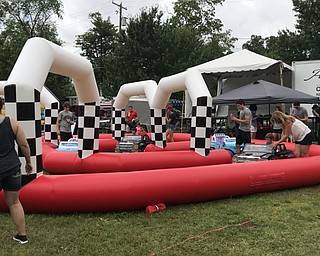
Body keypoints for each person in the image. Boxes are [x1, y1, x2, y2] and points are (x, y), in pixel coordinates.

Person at [0, 98, 33, 244]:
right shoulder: (11, 122)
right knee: (14, 203)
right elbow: (24, 145)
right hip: (12, 167)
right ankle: (22, 235)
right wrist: (29, 162)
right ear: (2, 106)